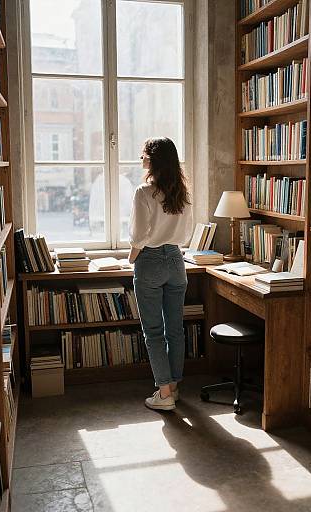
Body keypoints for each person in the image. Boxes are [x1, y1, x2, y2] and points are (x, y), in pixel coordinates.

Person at [128, 137, 193, 411]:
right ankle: (174, 388)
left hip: (151, 261)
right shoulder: (183, 192)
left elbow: (139, 236)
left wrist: (132, 258)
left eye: (144, 156)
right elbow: (187, 234)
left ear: (154, 160)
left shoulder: (144, 192)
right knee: (175, 330)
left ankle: (163, 395)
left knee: (154, 332)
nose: (141, 160)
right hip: (177, 261)